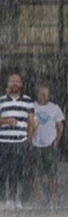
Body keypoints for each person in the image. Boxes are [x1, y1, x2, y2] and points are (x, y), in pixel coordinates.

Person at [0, 73, 35, 208]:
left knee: (21, 172)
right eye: (12, 81)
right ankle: (4, 200)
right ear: (8, 83)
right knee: (3, 172)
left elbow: (31, 121)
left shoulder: (28, 101)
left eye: (17, 81)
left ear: (21, 84)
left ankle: (20, 200)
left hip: (21, 142)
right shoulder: (1, 100)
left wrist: (29, 139)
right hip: (3, 141)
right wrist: (5, 121)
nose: (15, 83)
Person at [31, 83, 64, 206]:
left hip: (50, 146)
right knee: (36, 174)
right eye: (41, 93)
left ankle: (54, 200)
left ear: (49, 95)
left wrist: (57, 142)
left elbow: (60, 127)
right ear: (37, 94)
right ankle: (36, 200)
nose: (44, 96)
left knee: (52, 174)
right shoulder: (31, 107)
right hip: (35, 145)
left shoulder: (55, 108)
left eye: (46, 94)